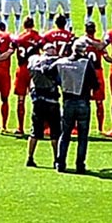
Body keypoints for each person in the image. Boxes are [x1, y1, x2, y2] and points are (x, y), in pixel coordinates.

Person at [53, 40, 98, 175]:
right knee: (82, 136)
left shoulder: (62, 62)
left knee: (65, 134)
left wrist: (60, 82)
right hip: (83, 101)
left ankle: (61, 163)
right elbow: (95, 84)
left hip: (67, 101)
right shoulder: (86, 63)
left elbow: (47, 71)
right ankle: (80, 164)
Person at [24, 34, 66, 168]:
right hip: (52, 100)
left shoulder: (33, 60)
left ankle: (30, 157)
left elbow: (31, 59)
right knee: (55, 132)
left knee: (35, 131)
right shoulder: (57, 63)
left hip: (37, 101)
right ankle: (56, 159)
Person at [9, 15, 43, 133]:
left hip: (22, 69)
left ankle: (20, 127)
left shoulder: (19, 38)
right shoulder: (37, 36)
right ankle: (40, 127)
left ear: (24, 26)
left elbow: (12, 48)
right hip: (35, 69)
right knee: (39, 98)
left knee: (21, 99)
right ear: (33, 25)